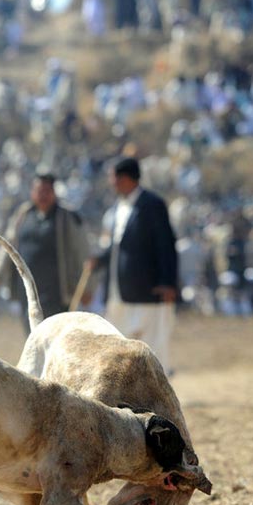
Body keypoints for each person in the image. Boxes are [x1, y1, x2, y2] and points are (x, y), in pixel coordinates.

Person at [93, 157, 178, 371]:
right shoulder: (117, 209)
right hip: (120, 292)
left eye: (114, 178)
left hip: (149, 291)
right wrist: (99, 261)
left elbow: (166, 244)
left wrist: (168, 282)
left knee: (153, 348)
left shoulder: (152, 205)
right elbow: (116, 246)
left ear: (125, 178)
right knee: (119, 345)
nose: (111, 183)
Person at [0, 174, 90, 327]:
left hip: (57, 291)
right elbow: (7, 246)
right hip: (26, 289)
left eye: (47, 191)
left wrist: (87, 288)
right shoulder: (23, 215)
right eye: (39, 190)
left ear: (54, 193)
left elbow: (83, 252)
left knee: (54, 334)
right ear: (32, 192)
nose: (43, 195)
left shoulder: (67, 218)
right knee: (32, 333)